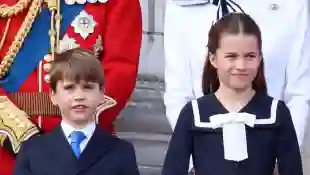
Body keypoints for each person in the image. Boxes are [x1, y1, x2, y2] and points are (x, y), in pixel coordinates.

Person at [0, 0, 142, 174]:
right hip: (7, 151)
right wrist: (19, 135)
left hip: (86, 153)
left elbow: (120, 73)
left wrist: (76, 135)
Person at [162, 13, 303, 175]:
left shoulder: (276, 112)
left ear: (259, 58)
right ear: (213, 59)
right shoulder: (193, 113)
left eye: (250, 56)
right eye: (231, 56)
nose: (241, 65)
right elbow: (172, 170)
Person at [13, 48, 140, 175]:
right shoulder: (32, 151)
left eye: (87, 87)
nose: (79, 96)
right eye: (69, 88)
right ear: (53, 95)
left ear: (101, 93)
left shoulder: (122, 152)